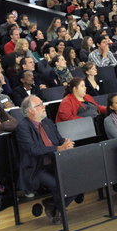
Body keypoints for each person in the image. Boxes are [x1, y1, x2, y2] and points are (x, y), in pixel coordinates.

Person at [16, 95, 75, 224]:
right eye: (40, 105)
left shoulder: (47, 122)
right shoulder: (23, 127)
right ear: (31, 111)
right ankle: (59, 210)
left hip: (56, 163)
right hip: (37, 168)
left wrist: (66, 143)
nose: (44, 107)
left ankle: (53, 204)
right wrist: (57, 148)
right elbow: (33, 150)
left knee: (79, 178)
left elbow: (59, 140)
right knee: (59, 184)